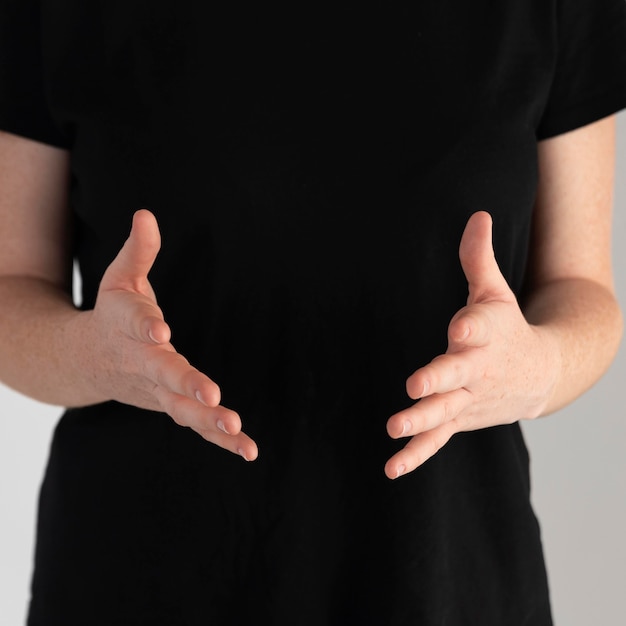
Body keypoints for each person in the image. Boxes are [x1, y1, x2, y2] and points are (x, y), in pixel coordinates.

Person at [1, 1, 625, 624]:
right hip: (135, 581)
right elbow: (13, 287)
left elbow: (581, 288)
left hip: (446, 581)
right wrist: (94, 356)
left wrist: (532, 369)